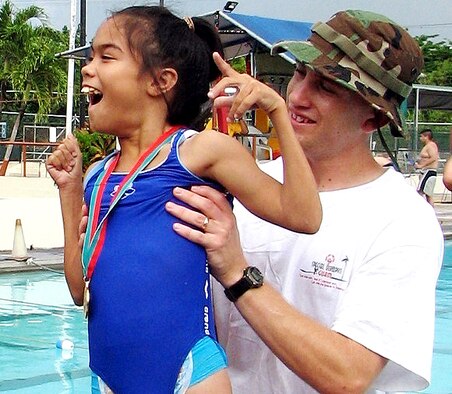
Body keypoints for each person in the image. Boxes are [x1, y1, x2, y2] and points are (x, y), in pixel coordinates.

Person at [165, 10, 444, 394]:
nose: (297, 96)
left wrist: (236, 272)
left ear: (374, 119)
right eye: (300, 73)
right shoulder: (247, 183)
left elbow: (349, 374)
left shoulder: (402, 220)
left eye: (327, 87)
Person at [46, 5, 321, 394]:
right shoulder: (96, 177)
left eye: (106, 57)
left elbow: (304, 216)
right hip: (107, 379)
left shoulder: (198, 152)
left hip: (191, 376)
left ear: (161, 80)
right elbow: (79, 289)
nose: (89, 68)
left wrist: (276, 110)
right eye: (91, 57)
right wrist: (69, 191)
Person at [415, 129, 439, 206]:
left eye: (421, 136)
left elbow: (434, 158)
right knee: (428, 194)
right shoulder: (427, 146)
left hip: (429, 171)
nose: (420, 138)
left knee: (420, 192)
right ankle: (429, 211)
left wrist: (422, 165)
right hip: (425, 171)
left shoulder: (431, 145)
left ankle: (422, 209)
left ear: (426, 137)